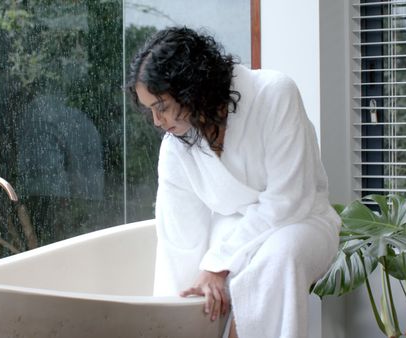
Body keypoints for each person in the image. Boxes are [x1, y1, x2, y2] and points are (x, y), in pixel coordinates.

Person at [126, 27, 340, 338]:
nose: (158, 122)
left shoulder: (274, 94)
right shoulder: (176, 146)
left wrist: (218, 264)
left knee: (279, 255)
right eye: (151, 111)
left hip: (301, 220)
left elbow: (289, 200)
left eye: (162, 107)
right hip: (232, 232)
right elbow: (179, 237)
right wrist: (171, 318)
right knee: (203, 278)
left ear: (191, 87)